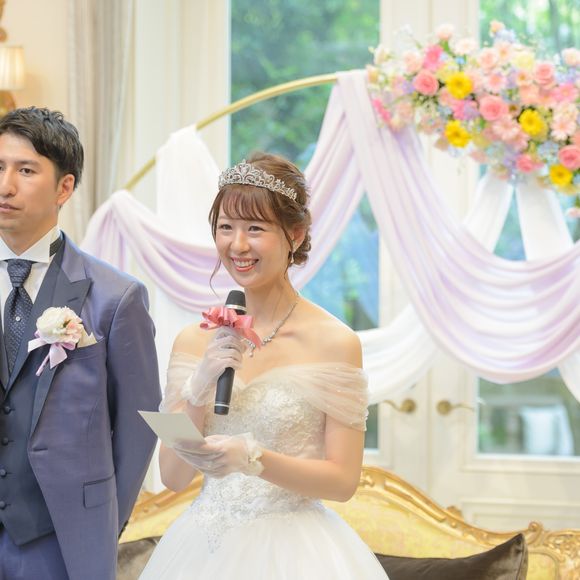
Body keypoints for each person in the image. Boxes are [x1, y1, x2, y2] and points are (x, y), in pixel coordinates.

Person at [140, 153, 388, 578]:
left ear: (295, 233)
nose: (237, 245)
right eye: (226, 227)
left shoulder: (335, 343)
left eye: (255, 228)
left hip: (298, 554)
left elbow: (343, 481)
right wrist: (197, 389)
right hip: (203, 550)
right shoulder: (194, 340)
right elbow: (173, 476)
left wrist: (252, 457)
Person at [0, 107, 161, 580]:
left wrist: (99, 524)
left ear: (64, 187)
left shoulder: (115, 298)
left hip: (58, 541)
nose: (5, 185)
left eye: (26, 171)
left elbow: (139, 425)